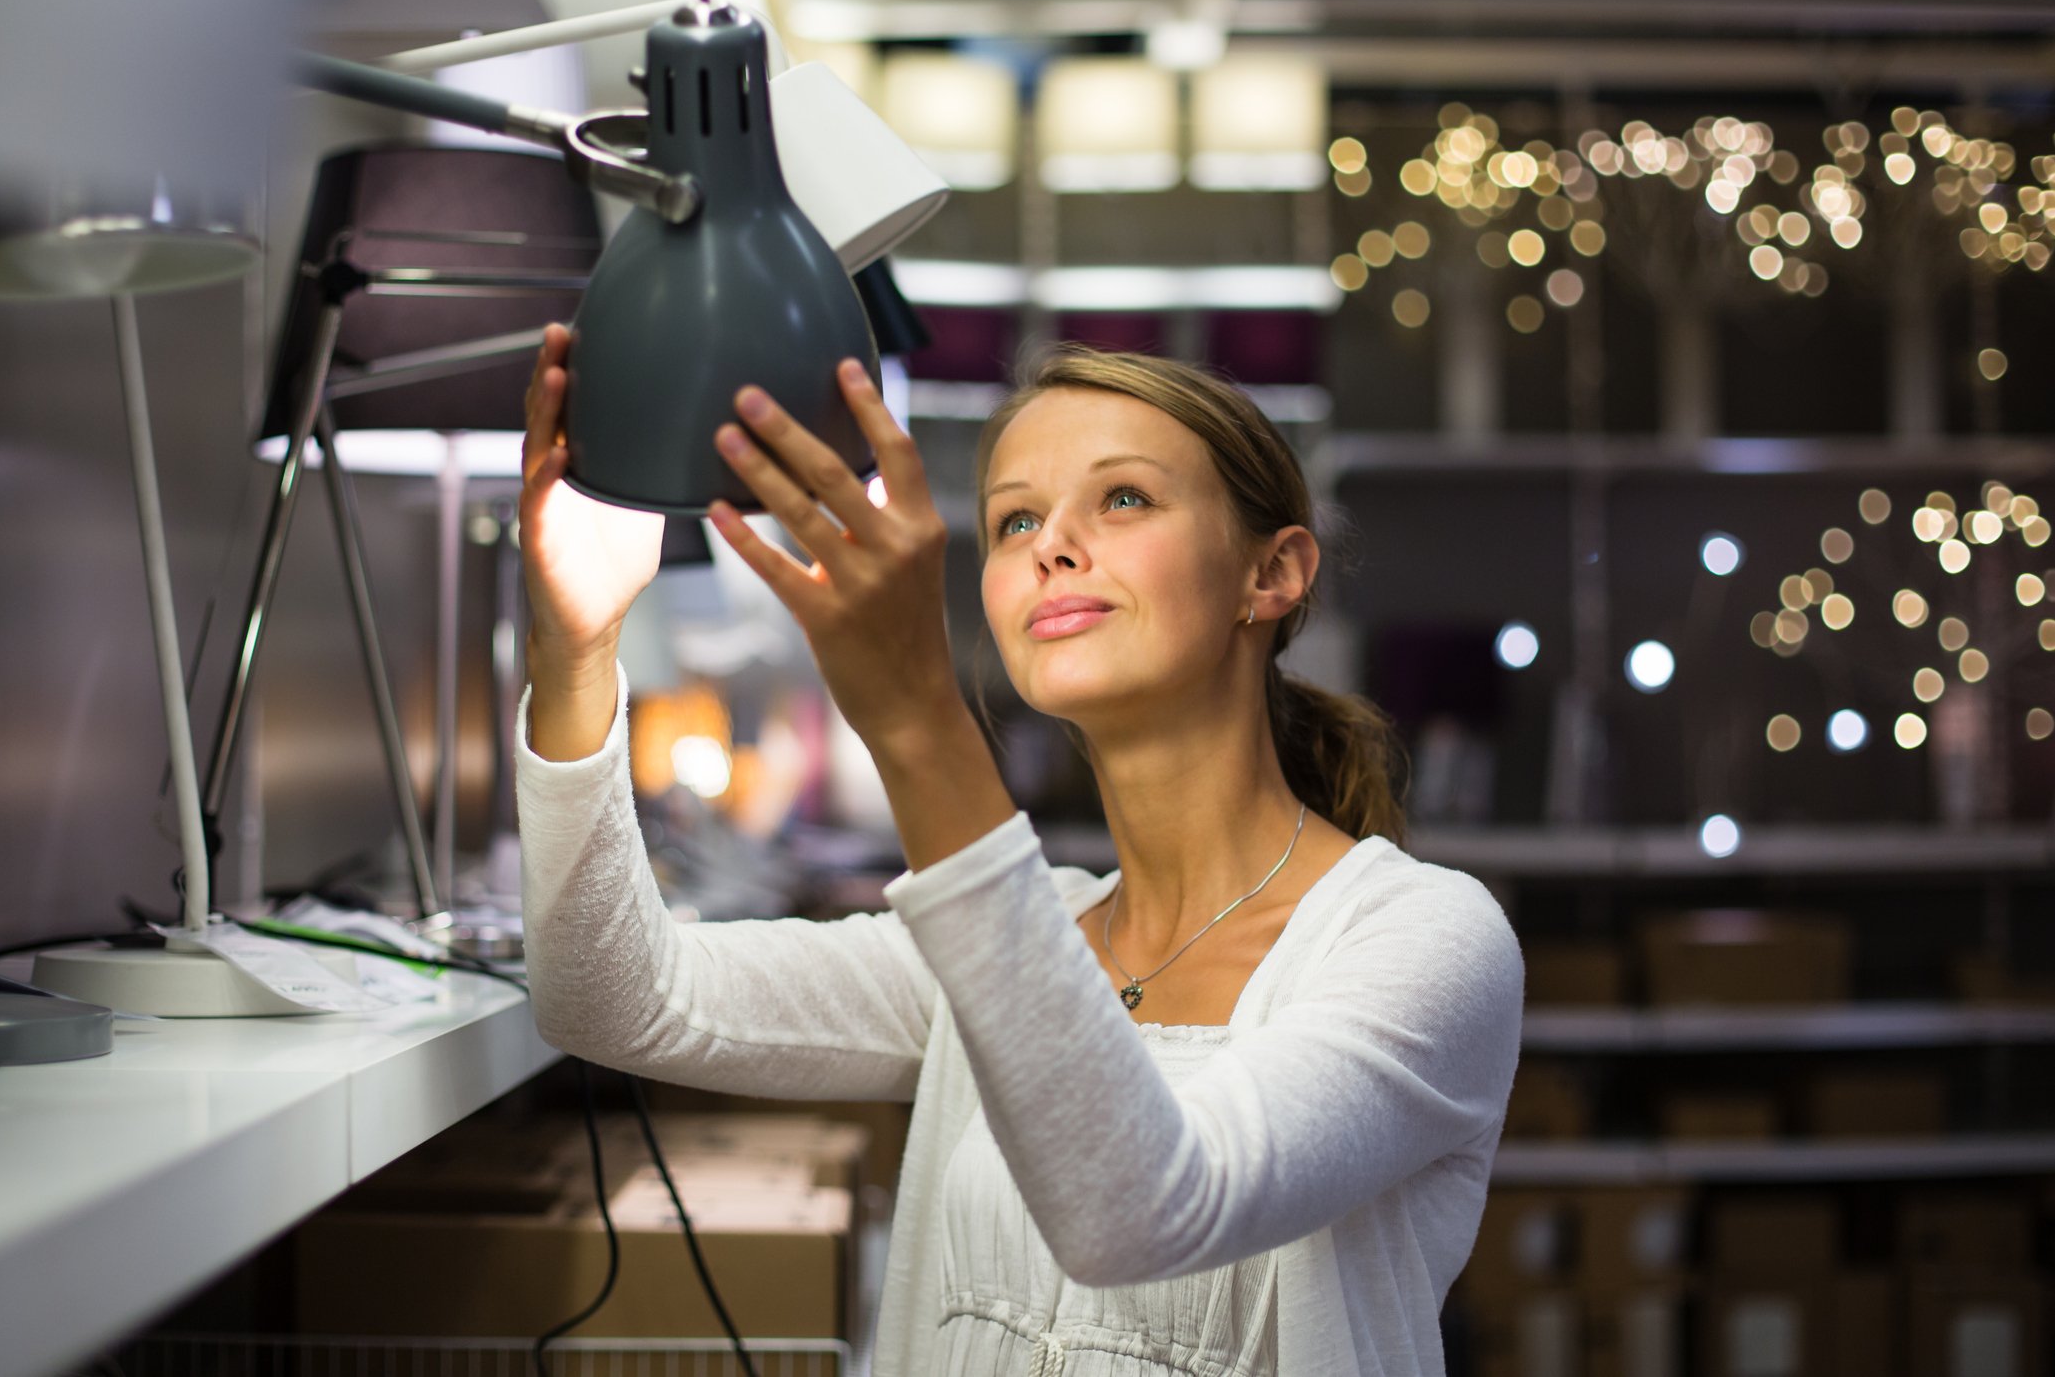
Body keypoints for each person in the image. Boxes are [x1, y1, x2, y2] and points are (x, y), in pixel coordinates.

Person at [515, 328, 1524, 1377]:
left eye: (1123, 498)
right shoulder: (1014, 938)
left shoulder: (1423, 939)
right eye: (1016, 518)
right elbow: (612, 994)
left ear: (1270, 574)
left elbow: (1143, 1209)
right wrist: (575, 650)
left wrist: (917, 718)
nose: (1053, 544)